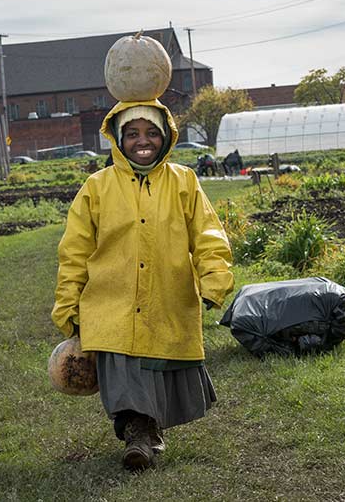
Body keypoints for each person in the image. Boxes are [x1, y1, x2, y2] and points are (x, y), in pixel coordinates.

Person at [52, 99, 234, 471]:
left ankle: (148, 431)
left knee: (156, 366)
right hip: (111, 300)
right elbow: (75, 249)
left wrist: (214, 278)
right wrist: (68, 302)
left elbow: (207, 235)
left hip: (168, 296)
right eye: (132, 134)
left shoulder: (184, 181)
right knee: (124, 372)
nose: (142, 141)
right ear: (118, 140)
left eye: (152, 133)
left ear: (166, 137)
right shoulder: (97, 187)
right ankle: (137, 432)